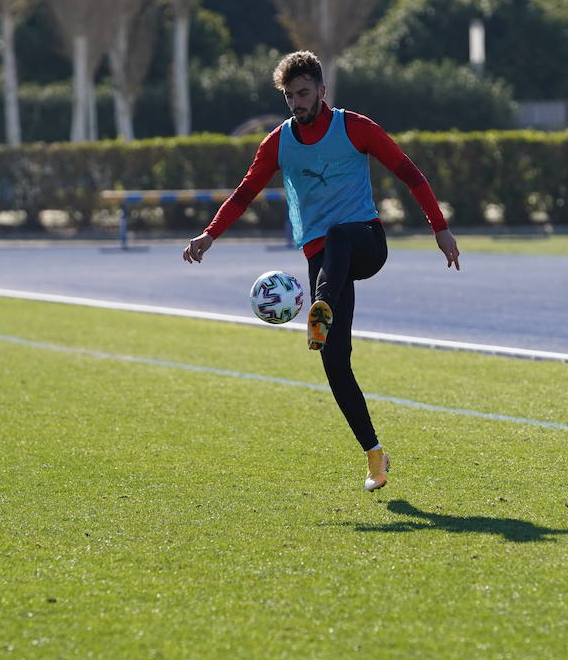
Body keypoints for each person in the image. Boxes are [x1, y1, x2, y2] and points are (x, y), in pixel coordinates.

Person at [182, 50, 461, 491]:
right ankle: (374, 456)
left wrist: (439, 229)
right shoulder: (277, 143)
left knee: (338, 236)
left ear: (322, 91)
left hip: (365, 243)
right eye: (289, 96)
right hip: (324, 261)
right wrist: (208, 235)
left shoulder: (355, 127)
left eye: (304, 93)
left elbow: (410, 173)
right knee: (334, 362)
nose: (297, 103)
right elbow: (243, 193)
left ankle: (320, 307)